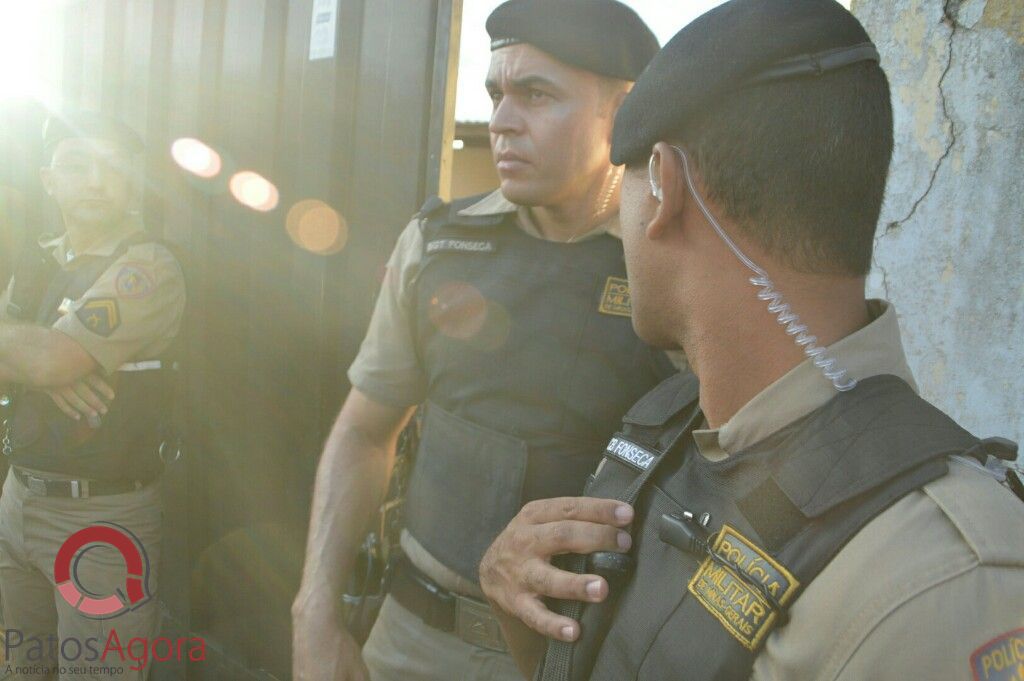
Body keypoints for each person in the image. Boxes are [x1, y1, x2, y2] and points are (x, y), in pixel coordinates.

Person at [478, 1, 1024, 679]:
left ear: (667, 187)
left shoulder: (951, 581)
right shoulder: (672, 426)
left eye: (630, 184)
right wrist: (526, 618)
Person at [290, 2, 683, 679]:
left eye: (536, 94)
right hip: (410, 637)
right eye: (496, 93)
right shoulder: (440, 243)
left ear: (621, 113)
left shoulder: (672, 262)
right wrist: (314, 614)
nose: (502, 120)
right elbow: (364, 430)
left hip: (577, 652)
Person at [0, 111, 186, 680]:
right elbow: (32, 362)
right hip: (18, 503)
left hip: (100, 520)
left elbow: (53, 359)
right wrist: (37, 360)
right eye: (76, 166)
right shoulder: (39, 262)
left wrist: (46, 361)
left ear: (133, 180)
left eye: (112, 167)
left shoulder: (146, 266)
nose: (95, 182)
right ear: (49, 179)